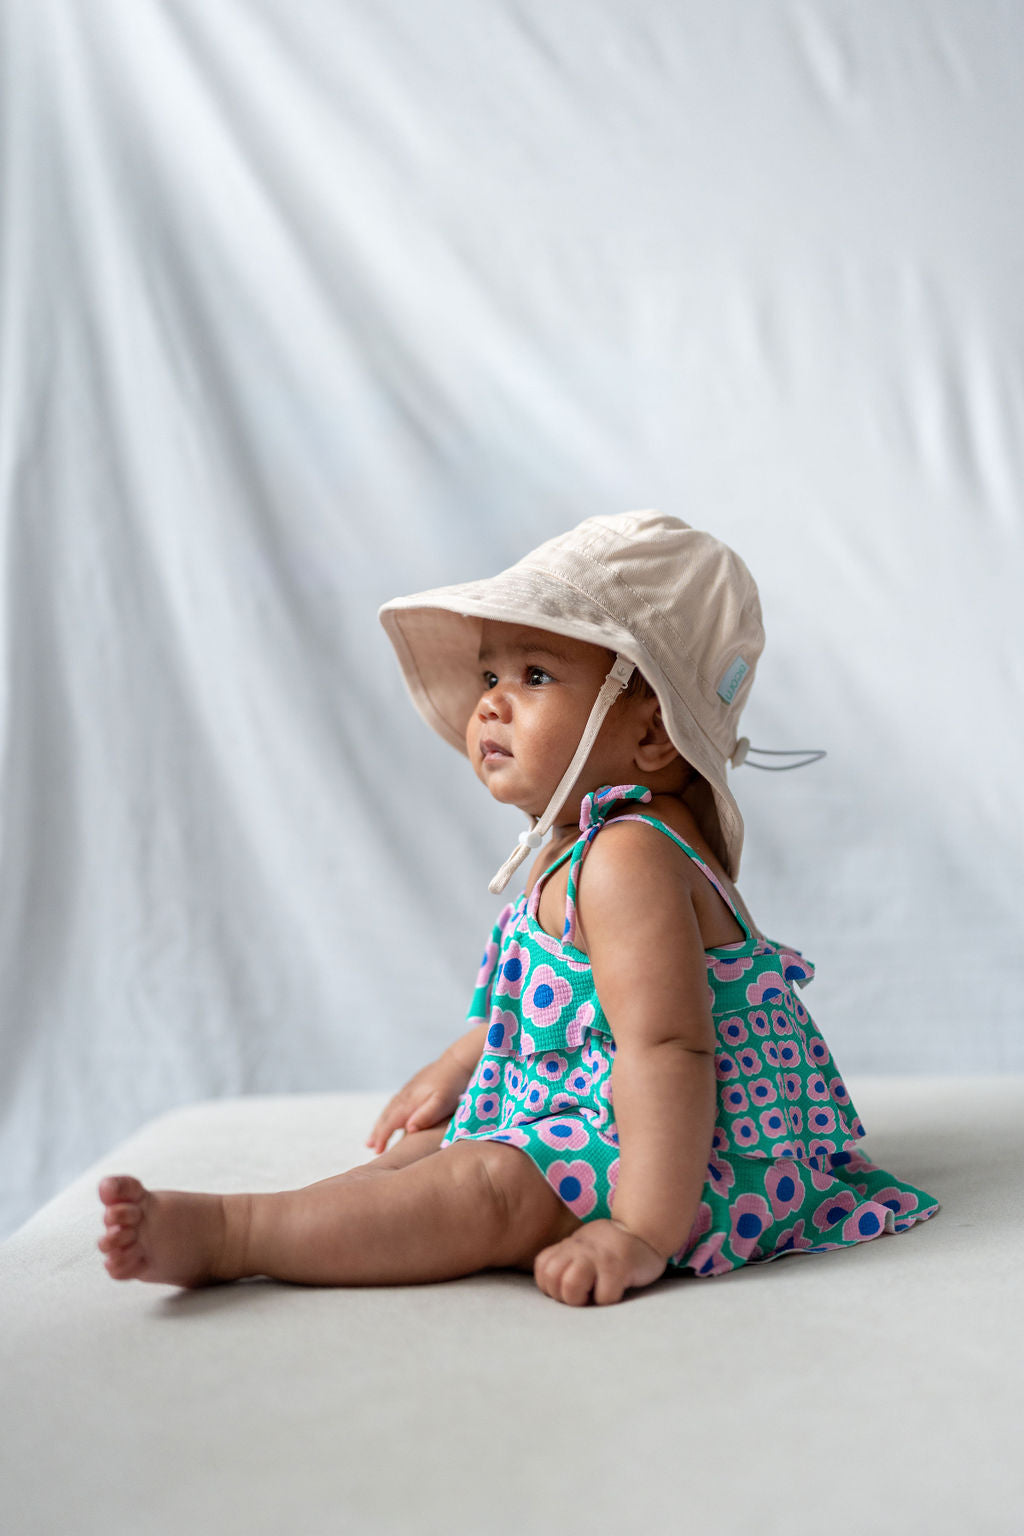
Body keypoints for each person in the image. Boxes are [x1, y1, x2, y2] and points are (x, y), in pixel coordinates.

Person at [97, 511, 939, 1305]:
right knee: (438, 1155)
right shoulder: (592, 844)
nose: (490, 703)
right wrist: (463, 1062)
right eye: (489, 675)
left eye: (535, 675)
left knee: (486, 1191)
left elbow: (668, 1048)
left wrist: (639, 1231)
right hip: (592, 1116)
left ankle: (240, 1235)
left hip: (686, 1160)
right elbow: (586, 1010)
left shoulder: (629, 856)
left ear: (651, 734)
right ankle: (297, 1220)